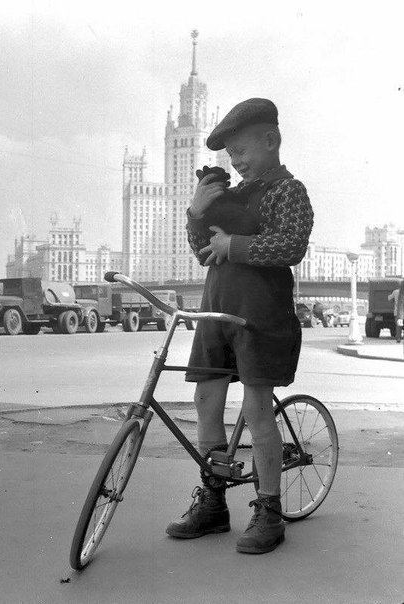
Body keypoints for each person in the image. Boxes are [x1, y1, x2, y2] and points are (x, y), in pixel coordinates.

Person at [165, 98, 314, 554]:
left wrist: (236, 245)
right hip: (215, 313)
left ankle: (269, 510)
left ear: (271, 141)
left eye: (243, 151)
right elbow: (203, 252)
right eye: (231, 157)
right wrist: (197, 213)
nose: (237, 162)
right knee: (207, 400)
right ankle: (214, 501)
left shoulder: (289, 192)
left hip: (259, 319)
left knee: (256, 411)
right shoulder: (229, 194)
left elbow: (290, 245)